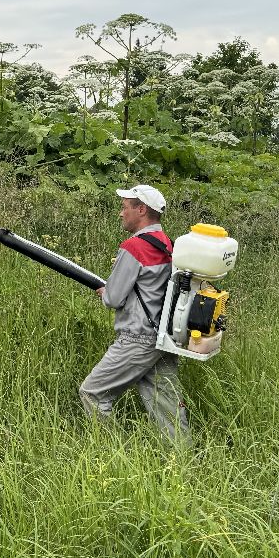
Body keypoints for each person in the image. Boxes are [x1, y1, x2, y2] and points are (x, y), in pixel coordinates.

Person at [78, 184, 189, 440]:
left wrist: (105, 292)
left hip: (137, 339)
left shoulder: (134, 247)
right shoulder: (168, 245)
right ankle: (182, 456)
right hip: (163, 337)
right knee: (166, 404)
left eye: (124, 207)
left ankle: (110, 452)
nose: (121, 213)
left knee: (92, 393)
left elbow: (113, 298)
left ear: (141, 210)